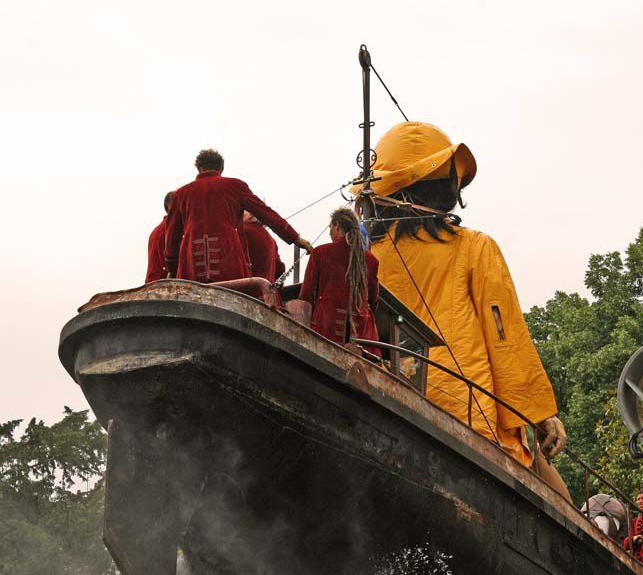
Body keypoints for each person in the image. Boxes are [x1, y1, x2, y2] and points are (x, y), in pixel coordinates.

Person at [360, 121, 570, 500]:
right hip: (469, 421)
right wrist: (539, 415)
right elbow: (504, 338)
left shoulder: (363, 257)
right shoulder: (474, 248)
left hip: (383, 414)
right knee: (562, 502)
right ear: (446, 190)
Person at [165, 149, 313, 282]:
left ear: (198, 168)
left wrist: (173, 268)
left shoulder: (181, 194)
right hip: (228, 260)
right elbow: (266, 213)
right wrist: (295, 238)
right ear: (221, 168)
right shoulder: (235, 186)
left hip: (191, 265)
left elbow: (171, 237)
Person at [298, 208, 380, 356]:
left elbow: (306, 295)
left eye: (330, 227)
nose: (330, 232)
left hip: (326, 332)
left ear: (337, 226)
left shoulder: (320, 253)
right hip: (362, 338)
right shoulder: (371, 260)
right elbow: (374, 300)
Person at [242, 211, 286, 283]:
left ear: (251, 214)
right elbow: (279, 270)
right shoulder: (271, 239)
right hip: (268, 291)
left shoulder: (240, 232)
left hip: (243, 291)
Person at [145, 191, 173, 283]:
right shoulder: (170, 230)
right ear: (170, 206)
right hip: (162, 287)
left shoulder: (158, 230)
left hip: (153, 286)